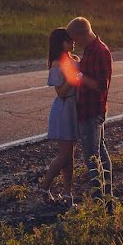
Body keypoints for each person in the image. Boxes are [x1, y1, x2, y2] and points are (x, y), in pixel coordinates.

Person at [66, 16, 114, 213]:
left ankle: (100, 204)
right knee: (100, 153)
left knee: (92, 158)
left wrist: (78, 76)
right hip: (89, 110)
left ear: (82, 34)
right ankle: (107, 200)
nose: (74, 43)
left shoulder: (100, 52)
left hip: (92, 111)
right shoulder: (90, 51)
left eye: (75, 39)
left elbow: (101, 86)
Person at [38, 27, 82, 203]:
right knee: (64, 155)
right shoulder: (57, 64)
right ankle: (44, 186)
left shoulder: (75, 59)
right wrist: (75, 79)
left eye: (72, 39)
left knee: (70, 155)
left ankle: (67, 192)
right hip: (64, 108)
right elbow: (61, 93)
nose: (73, 42)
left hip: (76, 107)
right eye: (68, 39)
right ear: (60, 43)